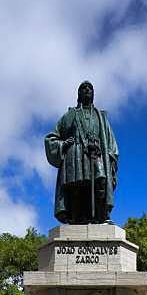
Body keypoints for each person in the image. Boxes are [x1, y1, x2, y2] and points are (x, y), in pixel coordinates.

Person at [44, 81, 119, 224]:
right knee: (77, 186)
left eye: (90, 88)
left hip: (97, 154)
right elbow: (51, 137)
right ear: (78, 94)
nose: (87, 90)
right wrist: (63, 144)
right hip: (75, 154)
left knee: (100, 181)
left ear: (93, 93)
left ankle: (100, 216)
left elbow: (111, 142)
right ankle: (77, 218)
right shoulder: (69, 115)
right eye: (83, 88)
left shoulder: (101, 117)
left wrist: (108, 156)